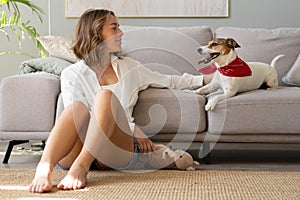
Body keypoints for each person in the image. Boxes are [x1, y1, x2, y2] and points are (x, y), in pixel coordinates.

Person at [29, 9, 211, 193]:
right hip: (75, 150)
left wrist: (210, 79)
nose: (121, 33)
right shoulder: (71, 74)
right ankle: (43, 169)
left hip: (113, 150)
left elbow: (171, 80)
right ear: (96, 32)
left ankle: (82, 166)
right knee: (76, 108)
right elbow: (77, 119)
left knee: (105, 97)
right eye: (114, 28)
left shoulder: (130, 67)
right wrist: (135, 129)